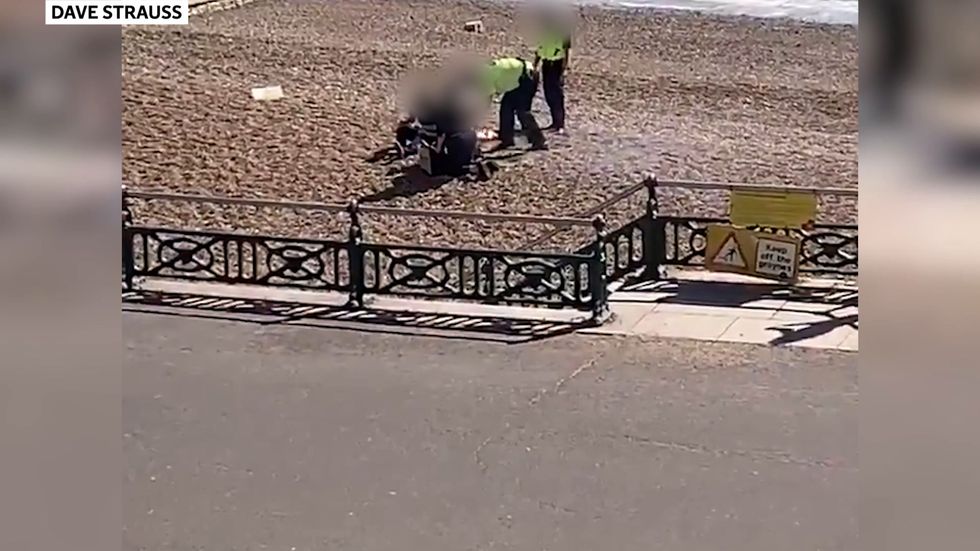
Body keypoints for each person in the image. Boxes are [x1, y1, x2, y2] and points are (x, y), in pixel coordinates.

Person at [482, 57, 547, 151]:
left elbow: (488, 100)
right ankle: (506, 140)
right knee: (506, 108)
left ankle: (539, 140)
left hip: (527, 77)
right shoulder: (487, 69)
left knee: (522, 111)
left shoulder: (487, 76)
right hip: (518, 79)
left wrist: (483, 117)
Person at [533, 17, 572, 132]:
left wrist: (565, 69)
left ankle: (560, 124)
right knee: (548, 93)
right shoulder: (545, 34)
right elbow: (540, 49)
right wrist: (535, 64)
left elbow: (567, 52)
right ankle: (554, 122)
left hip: (557, 64)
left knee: (557, 94)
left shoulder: (563, 33)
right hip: (546, 64)